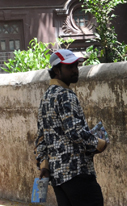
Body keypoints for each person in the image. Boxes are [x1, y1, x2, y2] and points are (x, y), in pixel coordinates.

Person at [35, 49, 108, 206]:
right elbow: (74, 132)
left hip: (58, 178)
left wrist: (44, 164)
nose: (75, 70)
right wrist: (99, 144)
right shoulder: (65, 95)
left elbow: (41, 137)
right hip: (77, 173)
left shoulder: (46, 97)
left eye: (76, 66)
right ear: (56, 70)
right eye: (70, 67)